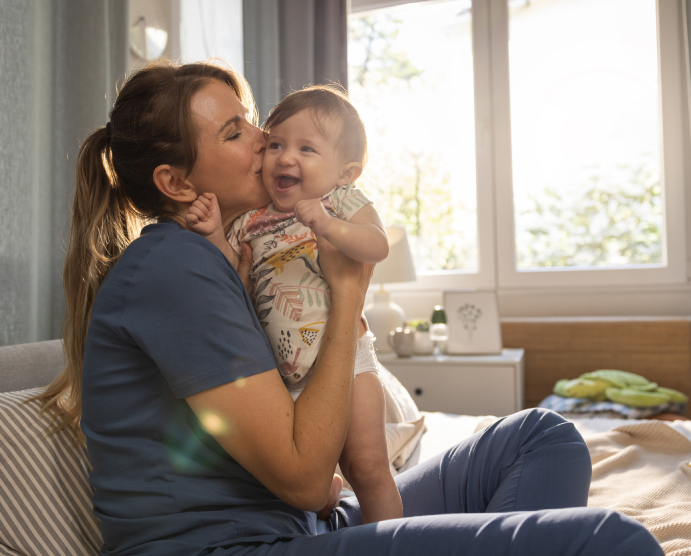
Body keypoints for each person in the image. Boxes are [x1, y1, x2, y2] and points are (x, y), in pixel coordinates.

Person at [36, 59, 663, 556]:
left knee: (543, 437)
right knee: (610, 541)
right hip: (240, 546)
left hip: (308, 523)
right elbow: (307, 477)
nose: (265, 140)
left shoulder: (228, 249)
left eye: (251, 120)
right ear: (176, 184)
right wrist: (347, 301)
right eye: (235, 132)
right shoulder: (172, 268)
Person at [186, 85, 401, 524]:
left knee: (369, 465)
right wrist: (212, 234)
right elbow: (229, 275)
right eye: (277, 144)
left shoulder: (339, 201)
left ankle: (394, 541)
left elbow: (377, 245)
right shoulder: (252, 218)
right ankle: (331, 496)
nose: (285, 158)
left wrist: (331, 227)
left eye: (307, 148)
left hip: (350, 359)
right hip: (285, 375)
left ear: (346, 172)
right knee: (310, 486)